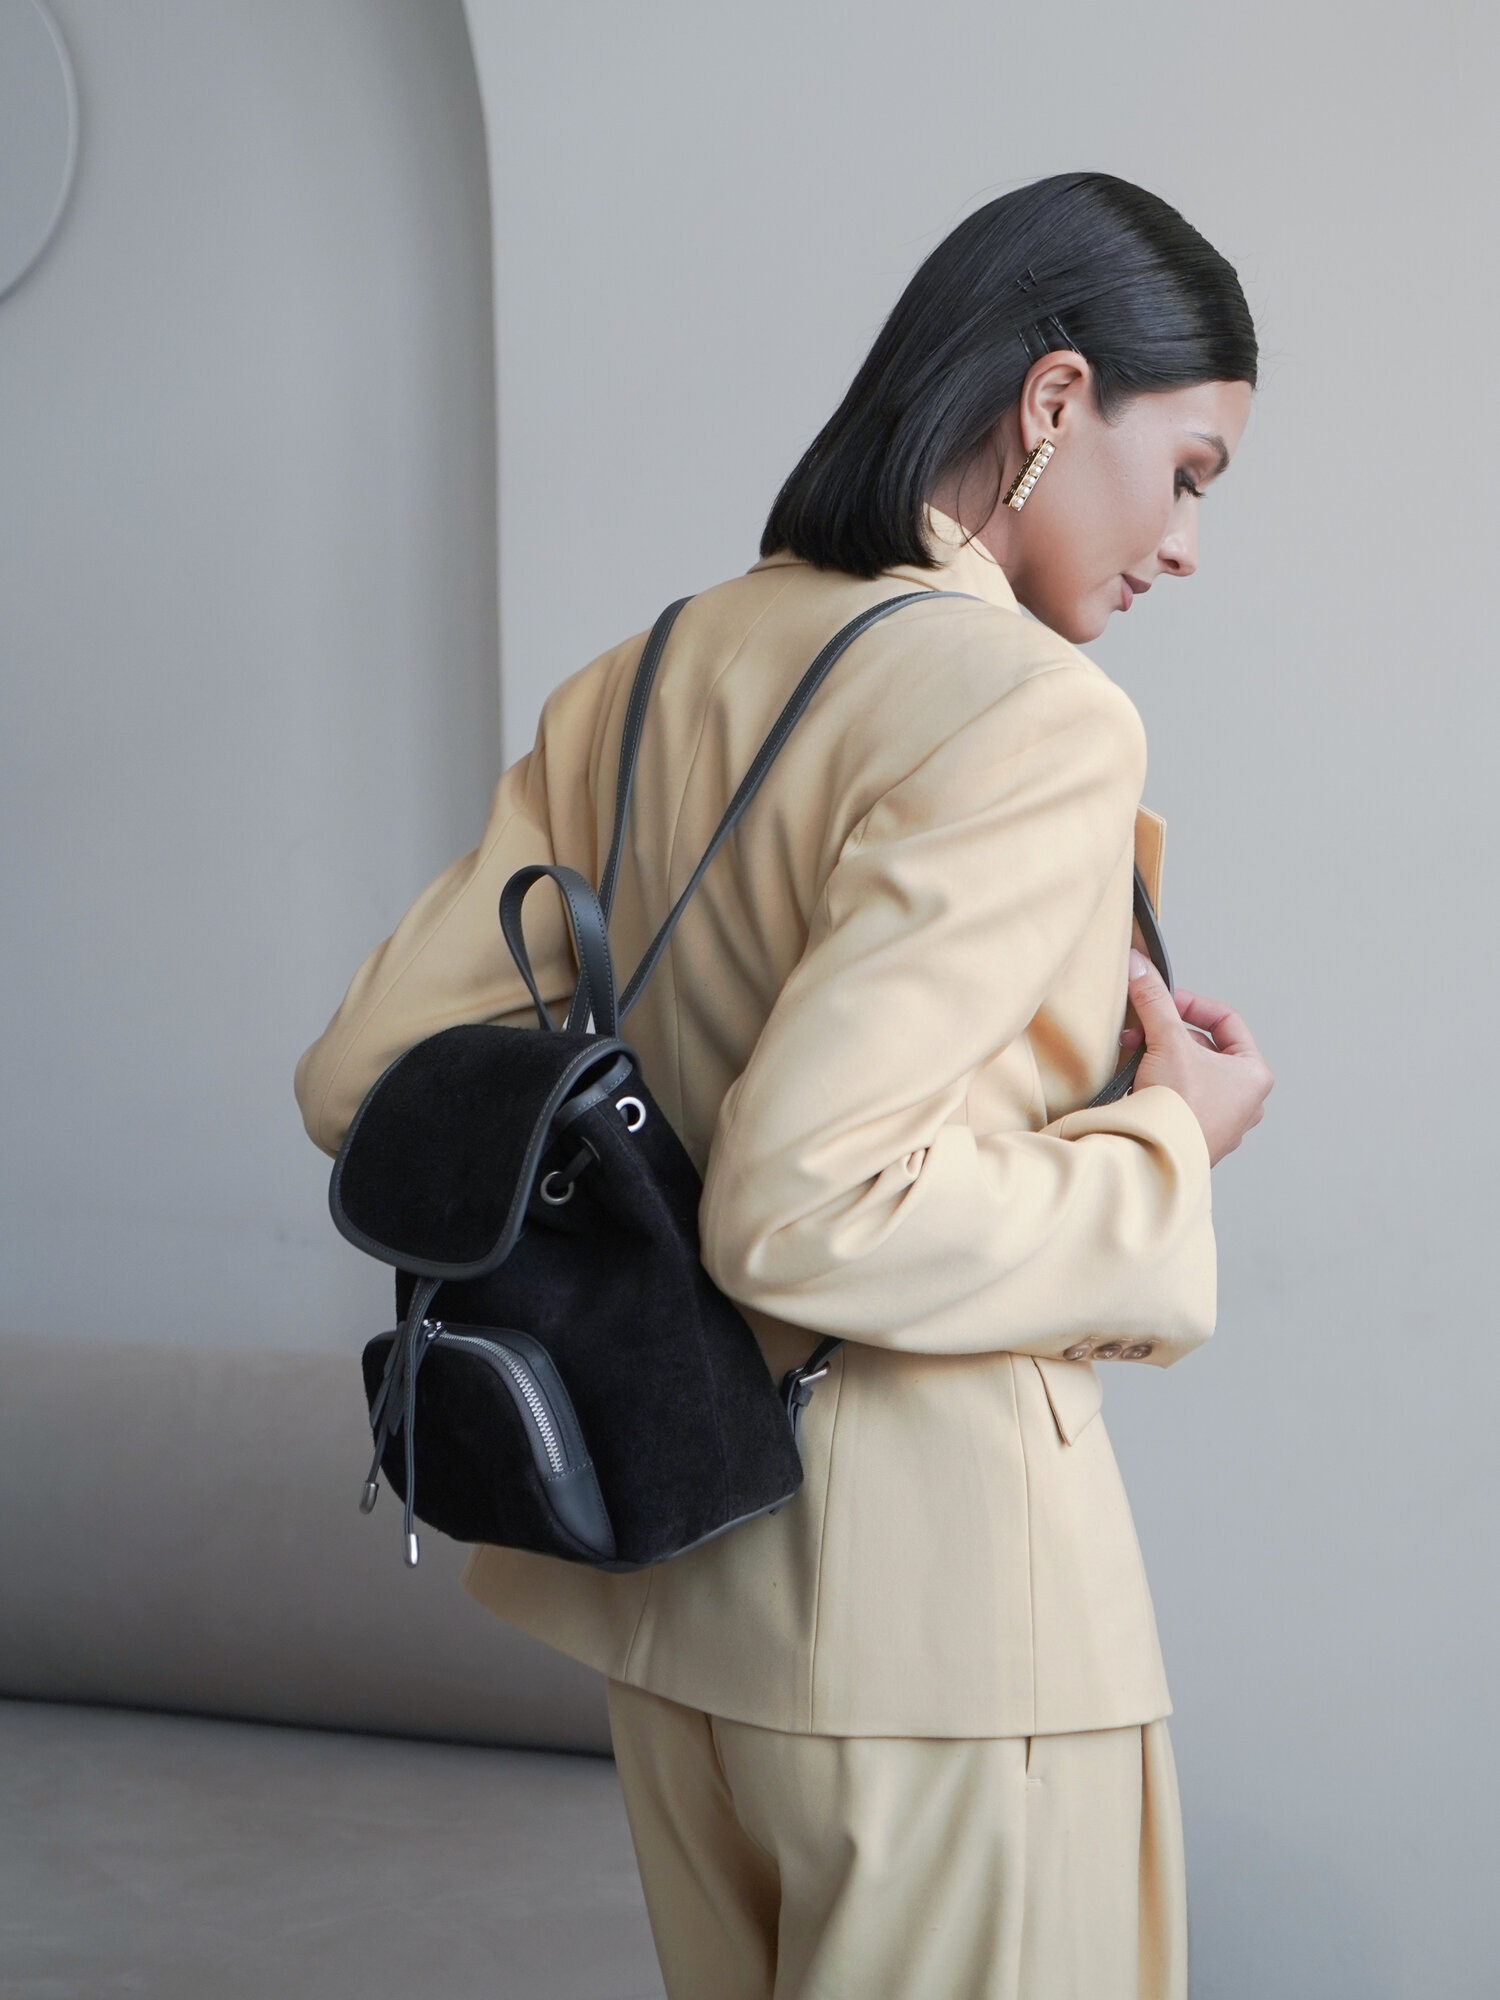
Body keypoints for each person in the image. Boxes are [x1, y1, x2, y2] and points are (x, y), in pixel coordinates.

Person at [295, 170, 1274, 2000]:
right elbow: (812, 1203)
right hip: (951, 1627)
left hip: (677, 1584)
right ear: (1055, 404)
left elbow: (366, 1076)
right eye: (1193, 472)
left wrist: (619, 1150)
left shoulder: (650, 675)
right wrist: (1168, 1146)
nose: (1188, 545)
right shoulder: (1030, 708)